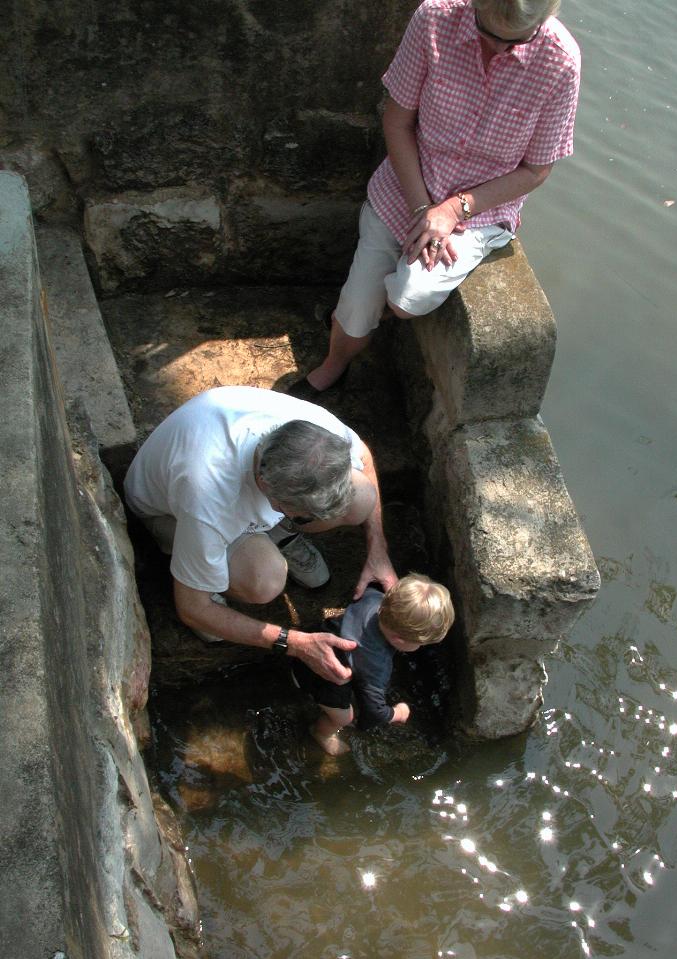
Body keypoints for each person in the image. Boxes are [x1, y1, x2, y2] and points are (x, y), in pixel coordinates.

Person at [290, 0, 580, 399]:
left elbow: (536, 171)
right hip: (405, 186)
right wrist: (422, 209)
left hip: (478, 210)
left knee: (410, 298)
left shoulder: (561, 62)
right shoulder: (435, 18)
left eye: (514, 42)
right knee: (357, 307)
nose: (497, 50)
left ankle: (372, 316)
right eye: (489, 34)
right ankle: (335, 362)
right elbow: (397, 120)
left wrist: (451, 209)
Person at [123, 386, 398, 683]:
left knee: (361, 498)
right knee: (265, 581)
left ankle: (280, 534)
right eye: (305, 516)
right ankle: (208, 573)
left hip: (239, 492)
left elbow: (364, 458)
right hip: (167, 513)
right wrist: (296, 644)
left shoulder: (317, 434)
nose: (321, 523)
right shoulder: (210, 499)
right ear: (270, 493)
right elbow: (192, 608)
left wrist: (378, 551)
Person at [291, 573, 455, 755]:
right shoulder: (377, 666)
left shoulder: (374, 597)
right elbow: (374, 712)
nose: (421, 646)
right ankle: (321, 733)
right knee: (344, 718)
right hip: (316, 675)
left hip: (313, 639)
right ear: (398, 639)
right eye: (420, 643)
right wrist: (397, 713)